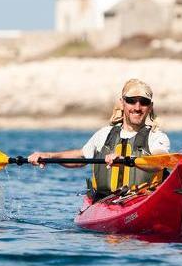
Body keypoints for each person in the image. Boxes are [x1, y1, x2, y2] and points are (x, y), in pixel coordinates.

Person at [27, 78, 170, 202]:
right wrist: (49, 156)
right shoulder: (104, 134)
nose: (137, 107)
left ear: (150, 106)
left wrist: (126, 159)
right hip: (105, 201)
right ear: (122, 103)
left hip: (143, 199)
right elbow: (81, 156)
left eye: (144, 102)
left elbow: (159, 160)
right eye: (131, 101)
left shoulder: (157, 136)